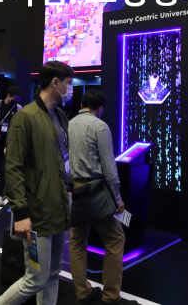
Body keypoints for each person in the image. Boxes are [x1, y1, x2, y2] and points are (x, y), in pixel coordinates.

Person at [0, 61, 74, 305]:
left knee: (53, 274)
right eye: (69, 83)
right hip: (35, 212)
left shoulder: (60, 116)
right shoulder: (25, 117)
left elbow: (64, 158)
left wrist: (69, 189)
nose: (71, 88)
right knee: (35, 278)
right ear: (55, 83)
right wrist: (21, 212)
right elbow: (13, 167)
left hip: (59, 207)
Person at [69, 90, 137, 305]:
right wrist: (117, 198)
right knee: (115, 239)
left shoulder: (69, 124)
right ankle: (111, 297)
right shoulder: (100, 126)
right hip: (96, 191)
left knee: (77, 241)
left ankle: (82, 292)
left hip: (76, 189)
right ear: (100, 108)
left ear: (82, 104)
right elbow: (109, 166)